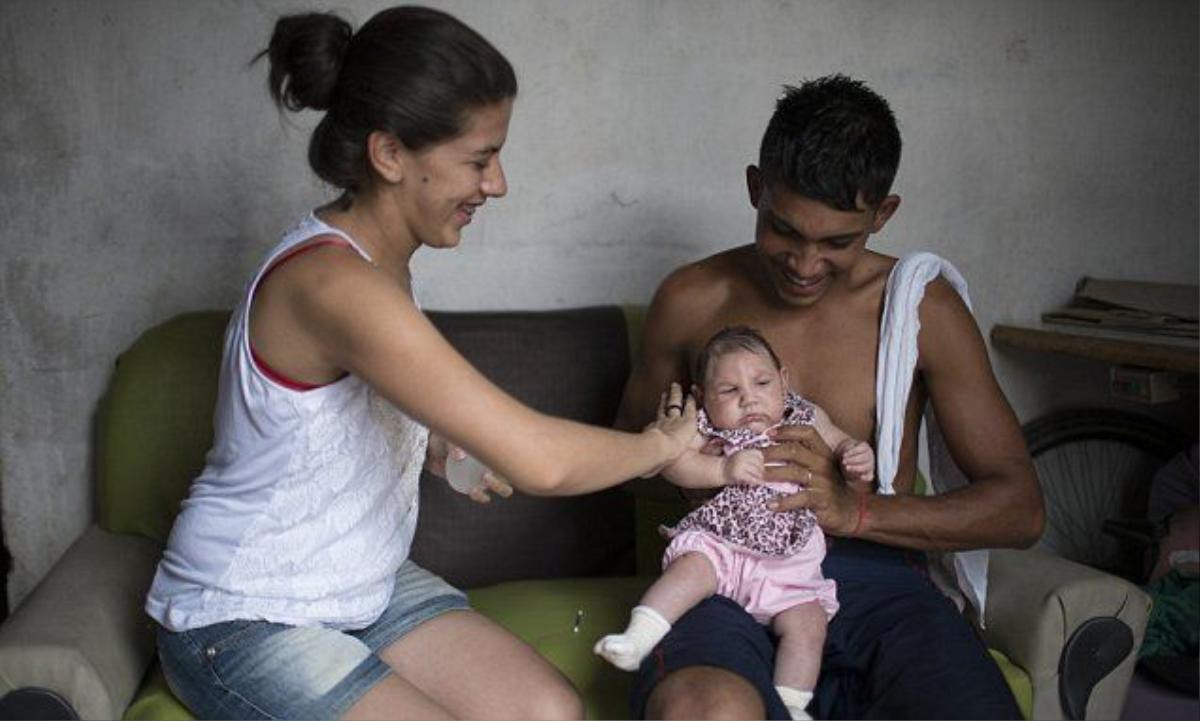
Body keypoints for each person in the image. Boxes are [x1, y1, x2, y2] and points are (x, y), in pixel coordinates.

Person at [143, 7, 699, 720]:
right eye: (478, 158)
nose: (496, 184)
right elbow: (540, 460)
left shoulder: (382, 265)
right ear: (390, 154)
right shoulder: (337, 285)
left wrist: (432, 438)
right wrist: (661, 445)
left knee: (548, 712)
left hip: (359, 584)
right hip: (245, 613)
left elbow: (327, 408)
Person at [616, 74, 1044, 720]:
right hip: (725, 571)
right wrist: (692, 463)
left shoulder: (923, 310)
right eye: (784, 230)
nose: (805, 263)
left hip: (877, 581)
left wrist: (855, 512)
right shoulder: (691, 300)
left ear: (883, 214)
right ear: (756, 189)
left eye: (838, 241)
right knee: (703, 710)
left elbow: (1021, 508)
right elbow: (620, 468)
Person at [595, 326, 874, 720]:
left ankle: (792, 706)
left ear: (784, 381)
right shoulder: (704, 426)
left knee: (809, 624)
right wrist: (722, 468)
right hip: (721, 544)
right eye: (728, 391)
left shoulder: (807, 416)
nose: (749, 398)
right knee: (689, 571)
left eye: (762, 382)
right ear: (701, 397)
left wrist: (855, 456)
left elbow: (843, 445)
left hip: (786, 564)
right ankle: (639, 637)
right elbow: (675, 465)